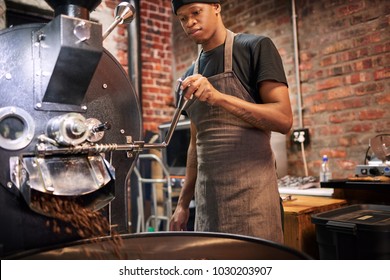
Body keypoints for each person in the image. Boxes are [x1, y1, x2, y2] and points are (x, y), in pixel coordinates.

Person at [169, 0, 293, 244]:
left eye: (196, 12)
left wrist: (219, 97)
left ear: (216, 6)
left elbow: (284, 120)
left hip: (253, 202)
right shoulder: (189, 76)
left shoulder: (255, 48)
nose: (189, 22)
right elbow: (196, 143)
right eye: (183, 18)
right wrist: (183, 204)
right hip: (208, 207)